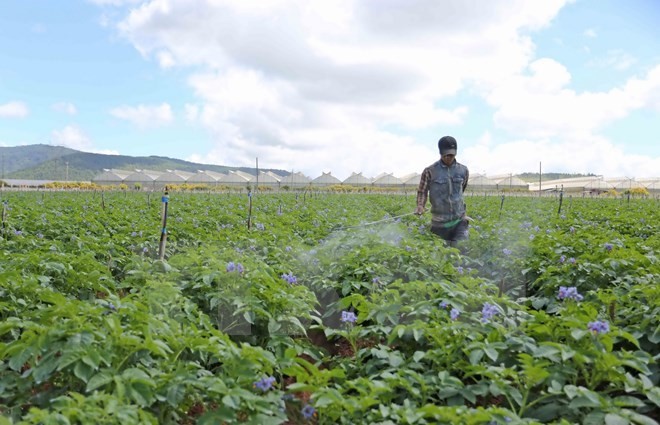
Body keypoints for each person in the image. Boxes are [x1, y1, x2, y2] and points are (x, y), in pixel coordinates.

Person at [415, 135, 470, 246]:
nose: (449, 157)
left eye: (451, 155)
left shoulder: (463, 170)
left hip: (459, 221)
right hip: (439, 223)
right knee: (441, 255)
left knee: (461, 251)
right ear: (441, 153)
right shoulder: (430, 171)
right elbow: (422, 191)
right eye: (446, 155)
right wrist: (420, 205)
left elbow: (461, 189)